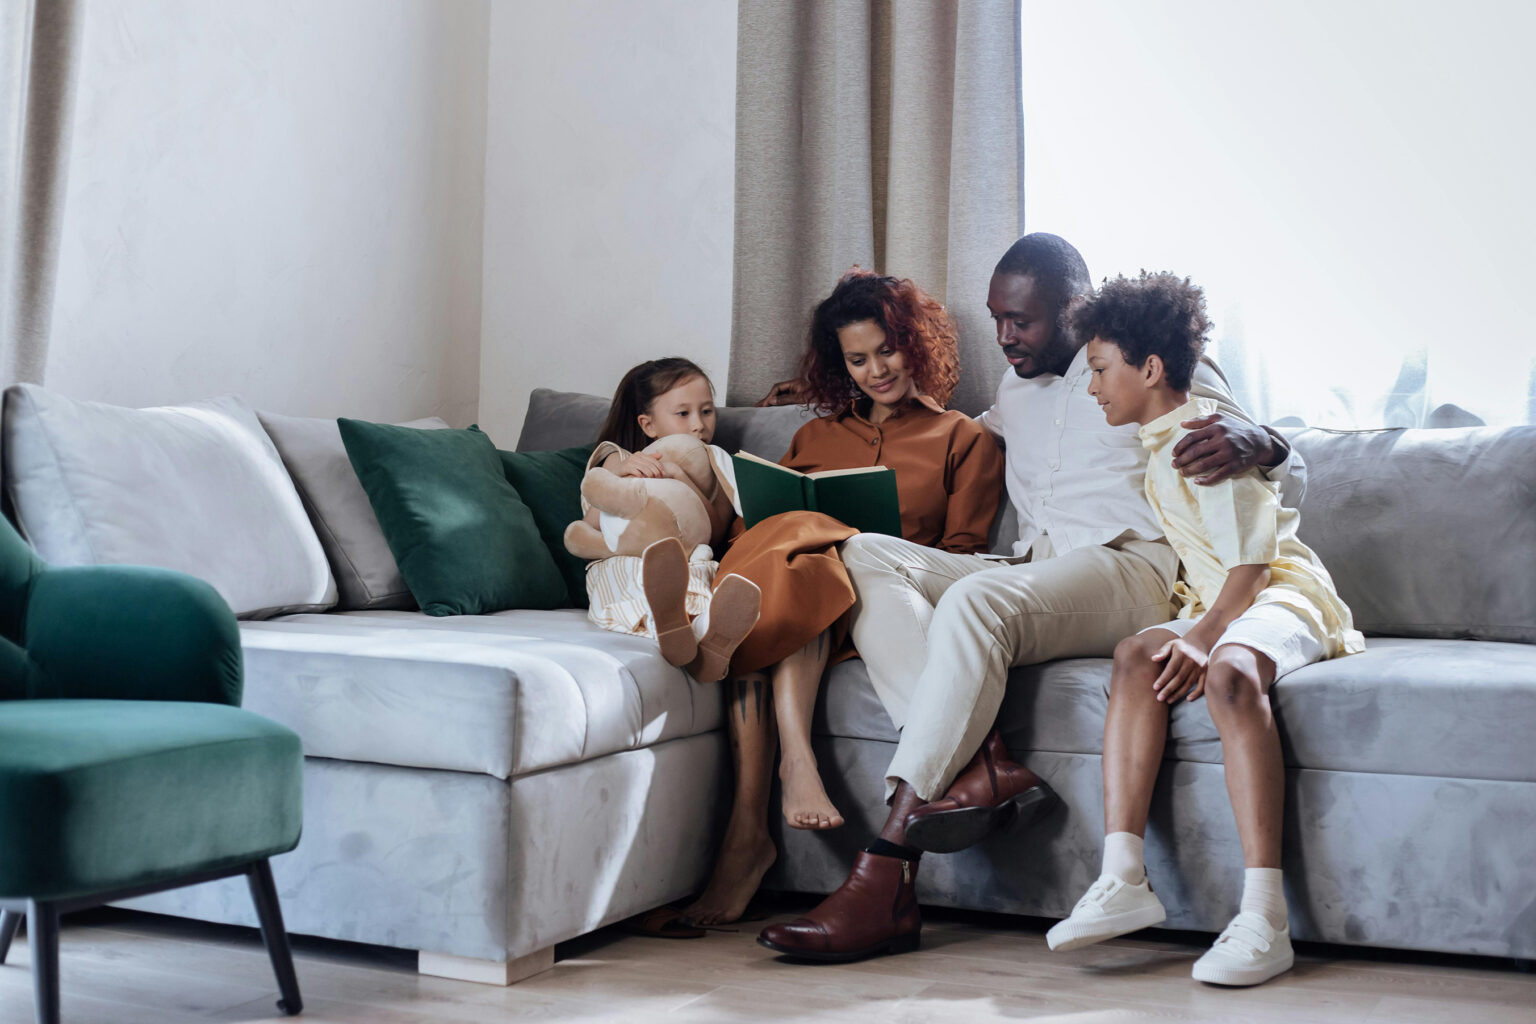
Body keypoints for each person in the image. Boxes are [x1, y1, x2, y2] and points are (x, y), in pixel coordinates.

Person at [756, 234, 1306, 962]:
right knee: (861, 555)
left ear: (1075, 310)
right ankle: (982, 765)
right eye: (997, 320)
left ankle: (887, 865)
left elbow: (1271, 489)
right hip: (1033, 568)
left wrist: (1264, 441)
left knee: (977, 604)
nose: (1006, 337)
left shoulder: (1139, 366)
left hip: (1128, 565)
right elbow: (950, 432)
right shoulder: (1014, 390)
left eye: (1024, 321)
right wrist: (839, 403)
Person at [1045, 272, 1362, 985]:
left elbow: (1253, 566)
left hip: (1282, 591)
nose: (1092, 388)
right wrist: (1190, 628)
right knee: (1133, 657)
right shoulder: (1159, 443)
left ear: (1149, 369)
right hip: (1230, 595)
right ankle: (1123, 874)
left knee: (1228, 672)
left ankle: (1264, 917)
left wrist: (1203, 635)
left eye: (1099, 371)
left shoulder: (1204, 437)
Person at [677, 269, 1004, 929]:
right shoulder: (814, 439)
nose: (876, 370)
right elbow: (755, 533)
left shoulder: (966, 440)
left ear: (916, 344)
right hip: (792, 598)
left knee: (813, 558)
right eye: (857, 359)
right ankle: (756, 818)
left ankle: (757, 817)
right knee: (792, 556)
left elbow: (965, 561)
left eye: (887, 350)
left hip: (874, 607)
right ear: (839, 365)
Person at [580, 358, 762, 678]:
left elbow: (714, 531)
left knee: (700, 568)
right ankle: (672, 624)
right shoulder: (617, 457)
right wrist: (621, 475)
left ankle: (696, 633)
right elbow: (593, 522)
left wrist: (682, 477)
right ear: (648, 425)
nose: (698, 425)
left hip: (687, 558)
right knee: (643, 569)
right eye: (683, 413)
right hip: (623, 556)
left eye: (707, 411)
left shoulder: (713, 464)